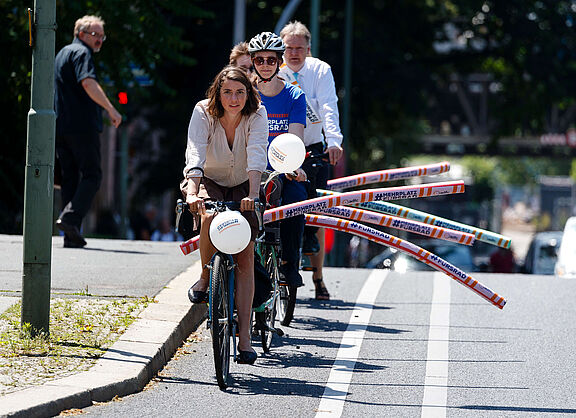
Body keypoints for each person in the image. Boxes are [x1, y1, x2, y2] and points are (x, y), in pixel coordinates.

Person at [184, 66, 268, 365]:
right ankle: (206, 276)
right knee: (207, 217)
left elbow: (258, 152)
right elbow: (195, 151)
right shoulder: (203, 112)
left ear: (249, 94)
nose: (234, 98)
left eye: (240, 92)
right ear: (218, 93)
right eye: (228, 92)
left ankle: (244, 337)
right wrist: (193, 192)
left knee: (245, 253)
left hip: (245, 183)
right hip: (209, 180)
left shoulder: (258, 115)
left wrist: (254, 195)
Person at [279, 21, 344, 300]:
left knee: (316, 210)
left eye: (299, 48)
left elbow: (329, 104)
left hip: (312, 146)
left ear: (308, 49)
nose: (294, 54)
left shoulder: (320, 70)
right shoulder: (272, 71)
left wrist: (334, 141)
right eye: (289, 48)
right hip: (280, 150)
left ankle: (317, 276)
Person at [54, 15, 122, 248]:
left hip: (61, 126)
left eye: (102, 37)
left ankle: (70, 234)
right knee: (92, 175)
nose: (100, 41)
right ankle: (70, 219)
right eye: (96, 35)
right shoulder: (82, 54)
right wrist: (111, 109)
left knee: (70, 177)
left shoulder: (62, 53)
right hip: (81, 126)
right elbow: (87, 82)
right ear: (81, 34)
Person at [247, 31, 308, 289]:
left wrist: (293, 167)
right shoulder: (243, 94)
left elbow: (295, 138)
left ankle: (289, 264)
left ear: (279, 62)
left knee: (296, 200)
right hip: (250, 167)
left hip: (282, 168)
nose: (264, 65)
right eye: (259, 60)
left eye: (270, 60)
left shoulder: (295, 96)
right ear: (253, 62)